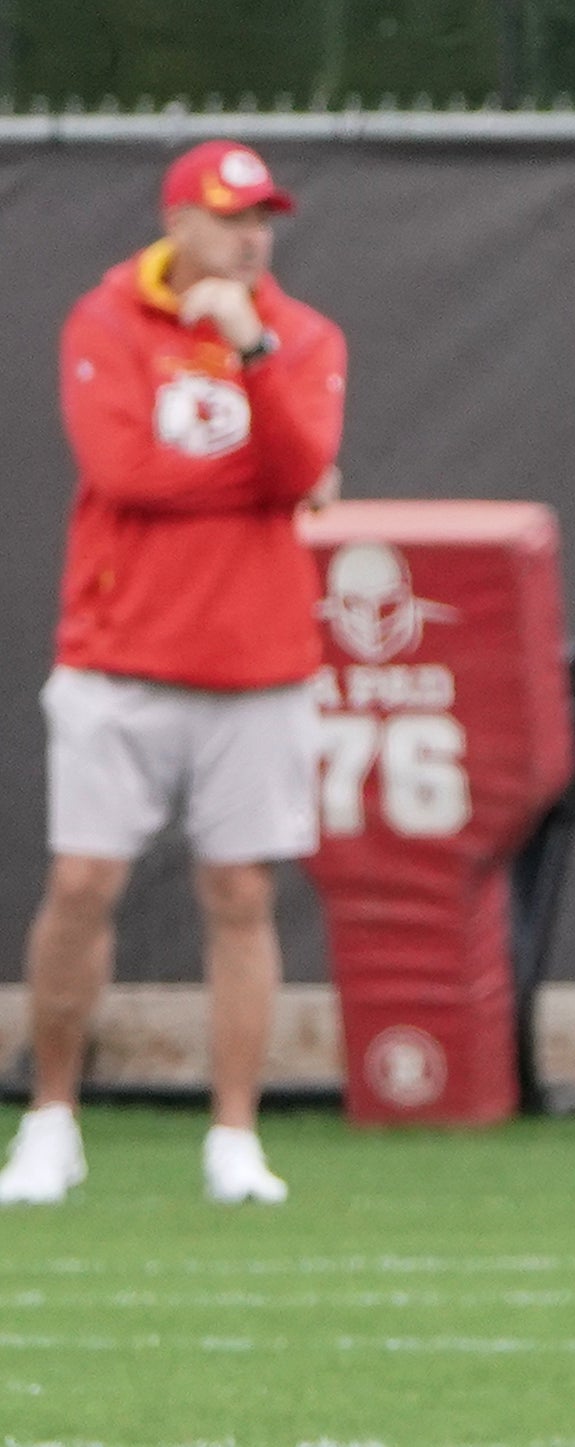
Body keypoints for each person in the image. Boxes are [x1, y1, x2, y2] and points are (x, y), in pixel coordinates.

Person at [0, 140, 346, 1207]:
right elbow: (125, 471)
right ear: (177, 223)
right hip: (120, 656)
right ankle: (52, 1116)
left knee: (242, 894)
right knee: (83, 882)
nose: (252, 237)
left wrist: (251, 358)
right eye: (231, 217)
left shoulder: (299, 334)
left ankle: (234, 1135)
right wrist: (262, 479)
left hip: (259, 660)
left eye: (263, 219)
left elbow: (298, 468)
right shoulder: (105, 319)